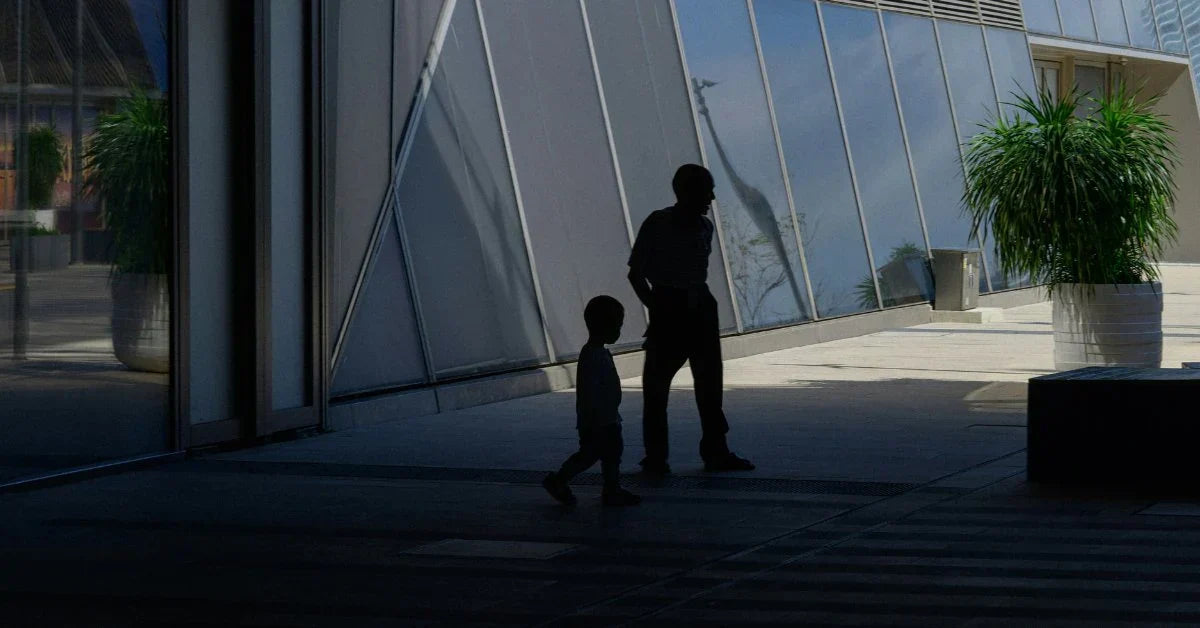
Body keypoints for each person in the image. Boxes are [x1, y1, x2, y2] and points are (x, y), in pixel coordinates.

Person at [627, 164, 754, 476]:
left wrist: (655, 306)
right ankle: (707, 451)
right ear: (687, 192)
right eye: (706, 190)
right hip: (684, 308)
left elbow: (636, 273)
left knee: (684, 387)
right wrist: (658, 307)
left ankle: (663, 456)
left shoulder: (694, 227)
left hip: (686, 308)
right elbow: (636, 273)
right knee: (687, 387)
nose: (711, 197)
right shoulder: (664, 224)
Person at [543, 296, 642, 507]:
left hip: (605, 418)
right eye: (618, 325)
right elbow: (591, 391)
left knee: (608, 452)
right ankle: (561, 480)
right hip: (599, 420)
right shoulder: (593, 356)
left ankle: (611, 488)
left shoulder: (596, 353)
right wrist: (597, 417)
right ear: (605, 326)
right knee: (591, 454)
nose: (619, 330)